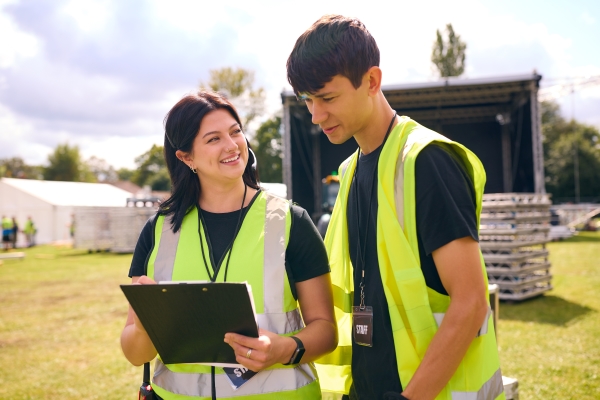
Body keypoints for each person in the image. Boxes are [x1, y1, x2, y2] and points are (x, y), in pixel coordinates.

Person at [287, 15, 504, 400]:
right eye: (308, 101)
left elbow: (471, 303)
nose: (316, 115)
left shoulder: (427, 160)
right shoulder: (350, 170)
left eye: (328, 98)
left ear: (371, 81)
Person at [120, 91, 337, 399]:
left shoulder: (291, 222)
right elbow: (134, 354)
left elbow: (326, 330)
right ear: (186, 157)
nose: (232, 145)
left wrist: (284, 349)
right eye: (213, 139)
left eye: (236, 132)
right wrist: (145, 327)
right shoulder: (159, 231)